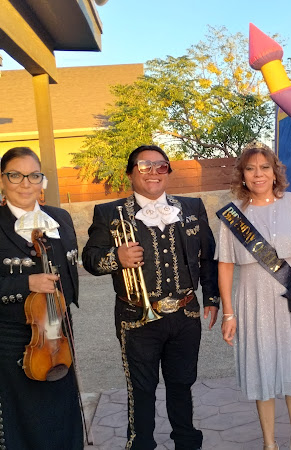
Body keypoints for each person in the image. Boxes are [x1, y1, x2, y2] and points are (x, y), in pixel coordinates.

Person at [81, 145, 219, 450]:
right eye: (145, 167)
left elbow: (209, 257)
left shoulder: (192, 207)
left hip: (186, 314)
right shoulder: (109, 212)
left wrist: (212, 299)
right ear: (130, 174)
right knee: (141, 389)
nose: (154, 173)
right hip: (136, 318)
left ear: (168, 172)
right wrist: (116, 257)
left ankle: (187, 443)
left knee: (182, 385)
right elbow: (90, 260)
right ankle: (141, 444)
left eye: (161, 166)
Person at [0, 147, 83, 449]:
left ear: (42, 181)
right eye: (16, 175)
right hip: (13, 337)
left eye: (34, 175)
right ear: (2, 179)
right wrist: (26, 283)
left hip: (58, 330)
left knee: (64, 411)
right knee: (24, 418)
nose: (26, 183)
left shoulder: (60, 218)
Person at [216, 144, 291, 450]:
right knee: (261, 371)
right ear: (242, 175)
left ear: (275, 171)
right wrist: (228, 312)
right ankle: (269, 443)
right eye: (251, 168)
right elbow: (225, 267)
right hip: (252, 302)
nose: (258, 174)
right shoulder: (234, 215)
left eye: (264, 167)